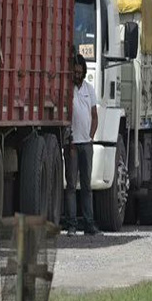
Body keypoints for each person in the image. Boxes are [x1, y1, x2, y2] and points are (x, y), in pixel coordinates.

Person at [66, 53, 99, 236]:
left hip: (86, 144)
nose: (77, 74)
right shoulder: (67, 89)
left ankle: (89, 224)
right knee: (71, 186)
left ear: (84, 72)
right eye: (75, 71)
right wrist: (69, 140)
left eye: (79, 71)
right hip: (71, 144)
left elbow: (95, 115)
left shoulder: (89, 89)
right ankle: (71, 225)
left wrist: (91, 136)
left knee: (87, 186)